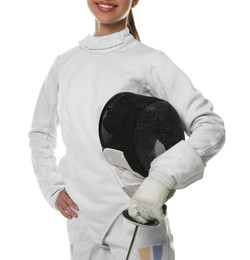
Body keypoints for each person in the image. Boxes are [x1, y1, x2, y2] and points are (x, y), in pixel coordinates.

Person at [28, 0, 225, 259]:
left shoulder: (148, 61)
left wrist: (162, 178)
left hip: (137, 218)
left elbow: (209, 126)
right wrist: (52, 188)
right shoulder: (65, 64)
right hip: (82, 222)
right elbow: (41, 133)